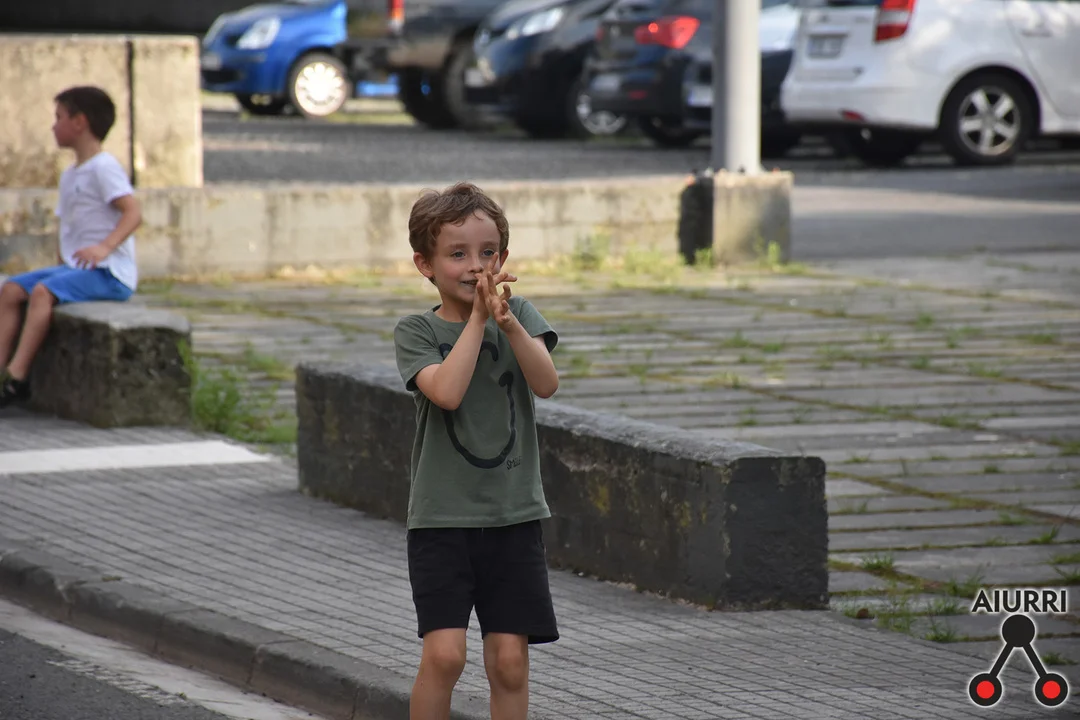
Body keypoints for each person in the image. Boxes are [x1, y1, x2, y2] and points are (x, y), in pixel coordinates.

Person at [393, 182, 561, 720]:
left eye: (487, 253)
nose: (474, 266)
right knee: (445, 656)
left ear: (502, 260)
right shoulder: (416, 331)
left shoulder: (520, 316)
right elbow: (446, 392)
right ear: (425, 264)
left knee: (509, 662)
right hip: (442, 521)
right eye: (457, 254)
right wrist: (478, 321)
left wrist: (507, 323)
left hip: (513, 516)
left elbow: (546, 384)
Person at [0, 86, 141, 408]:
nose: (53, 126)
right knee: (10, 290)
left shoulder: (104, 167)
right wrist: (62, 263)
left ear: (80, 122)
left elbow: (133, 213)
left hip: (109, 273)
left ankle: (16, 377)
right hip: (78, 269)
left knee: (42, 292)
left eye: (59, 117)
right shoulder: (71, 174)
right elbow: (69, 228)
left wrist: (105, 247)